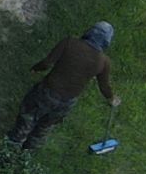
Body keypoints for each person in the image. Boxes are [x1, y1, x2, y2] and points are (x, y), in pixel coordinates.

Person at [14, 21, 118, 149]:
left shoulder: (70, 42)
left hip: (48, 91)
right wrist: (111, 98)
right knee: (45, 126)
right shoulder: (104, 62)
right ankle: (27, 154)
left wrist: (35, 68)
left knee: (28, 117)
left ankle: (12, 145)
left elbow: (47, 63)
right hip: (67, 102)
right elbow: (104, 86)